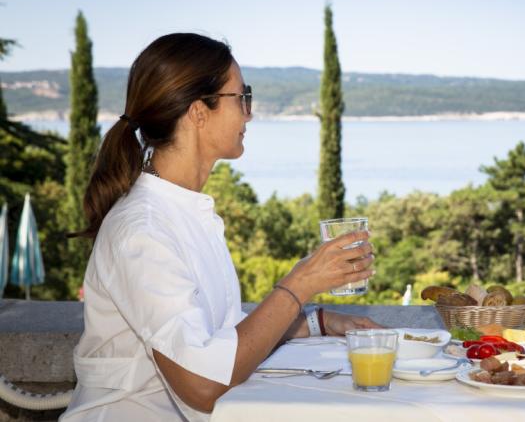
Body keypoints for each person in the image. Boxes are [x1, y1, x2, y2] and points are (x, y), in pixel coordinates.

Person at [60, 33, 379, 421]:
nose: (249, 114)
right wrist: (300, 284)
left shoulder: (186, 214)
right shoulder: (143, 231)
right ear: (198, 111)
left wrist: (318, 322)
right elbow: (201, 384)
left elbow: (211, 339)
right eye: (241, 98)